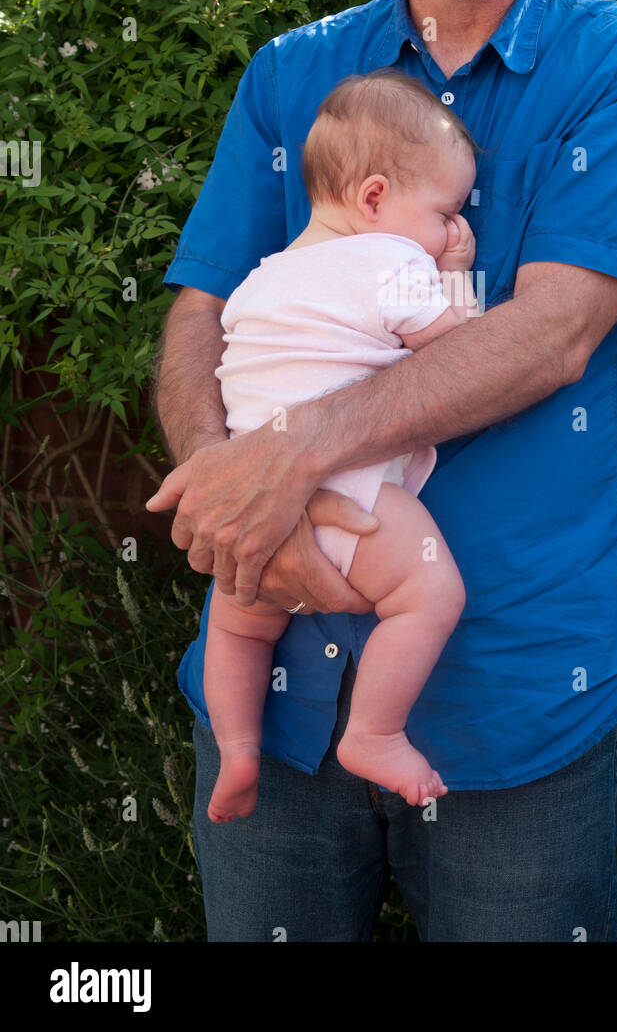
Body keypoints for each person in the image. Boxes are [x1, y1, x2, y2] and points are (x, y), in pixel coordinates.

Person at [147, 0, 617, 942]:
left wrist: (288, 456)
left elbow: (551, 330)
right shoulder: (293, 76)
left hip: (513, 699)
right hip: (271, 692)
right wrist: (229, 500)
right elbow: (200, 314)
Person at [203, 71, 478, 821]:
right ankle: (376, 732)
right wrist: (455, 275)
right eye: (444, 212)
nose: (450, 228)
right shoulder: (393, 263)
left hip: (251, 511)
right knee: (429, 596)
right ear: (375, 199)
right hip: (349, 496)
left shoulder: (263, 279)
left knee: (234, 626)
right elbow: (460, 359)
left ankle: (236, 749)